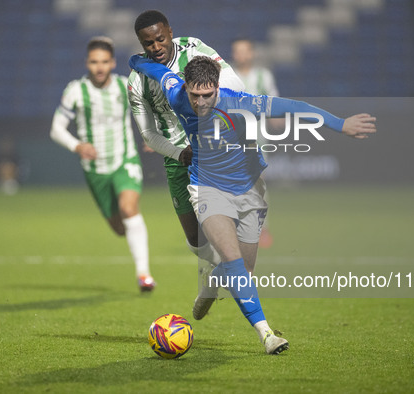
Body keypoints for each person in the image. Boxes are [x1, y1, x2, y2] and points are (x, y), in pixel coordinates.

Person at [129, 54, 377, 354]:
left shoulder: (240, 103)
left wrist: (340, 124)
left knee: (243, 270)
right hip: (206, 187)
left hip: (249, 189)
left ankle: (212, 282)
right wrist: (134, 59)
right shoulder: (175, 91)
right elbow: (153, 68)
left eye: (208, 95)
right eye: (195, 95)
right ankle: (267, 335)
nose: (201, 102)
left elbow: (294, 107)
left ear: (217, 87)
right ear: (186, 87)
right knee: (232, 260)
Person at [128, 10, 245, 269]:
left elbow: (236, 85)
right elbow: (148, 134)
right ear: (141, 43)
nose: (156, 47)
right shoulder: (137, 81)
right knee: (195, 241)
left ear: (170, 32)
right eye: (148, 43)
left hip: (212, 146)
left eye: (161, 39)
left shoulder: (193, 50)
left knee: (222, 221)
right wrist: (179, 154)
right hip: (177, 157)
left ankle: (235, 269)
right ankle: (218, 269)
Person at [50, 37, 154, 292]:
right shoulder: (76, 90)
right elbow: (56, 129)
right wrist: (78, 146)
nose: (99, 67)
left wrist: (152, 135)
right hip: (96, 170)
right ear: (87, 63)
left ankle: (144, 275)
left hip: (124, 160)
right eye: (94, 62)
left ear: (112, 63)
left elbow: (149, 110)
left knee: (129, 209)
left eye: (104, 62)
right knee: (120, 228)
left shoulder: (123, 86)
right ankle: (138, 257)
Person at [231, 38, 281, 248]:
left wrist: (277, 115)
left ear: (252, 53)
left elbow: (272, 100)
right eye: (238, 51)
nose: (241, 55)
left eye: (245, 51)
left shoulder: (263, 76)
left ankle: (262, 229)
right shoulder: (227, 76)